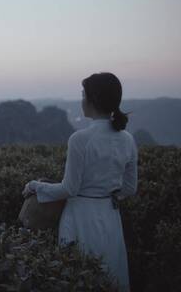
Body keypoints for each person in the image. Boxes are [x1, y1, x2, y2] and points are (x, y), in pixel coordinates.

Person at [22, 72, 138, 292]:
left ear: (92, 100)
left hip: (80, 218)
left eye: (83, 95)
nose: (81, 100)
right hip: (110, 216)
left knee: (79, 276)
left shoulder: (80, 139)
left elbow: (69, 188)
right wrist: (109, 195)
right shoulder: (127, 139)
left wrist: (35, 186)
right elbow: (130, 188)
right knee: (111, 275)